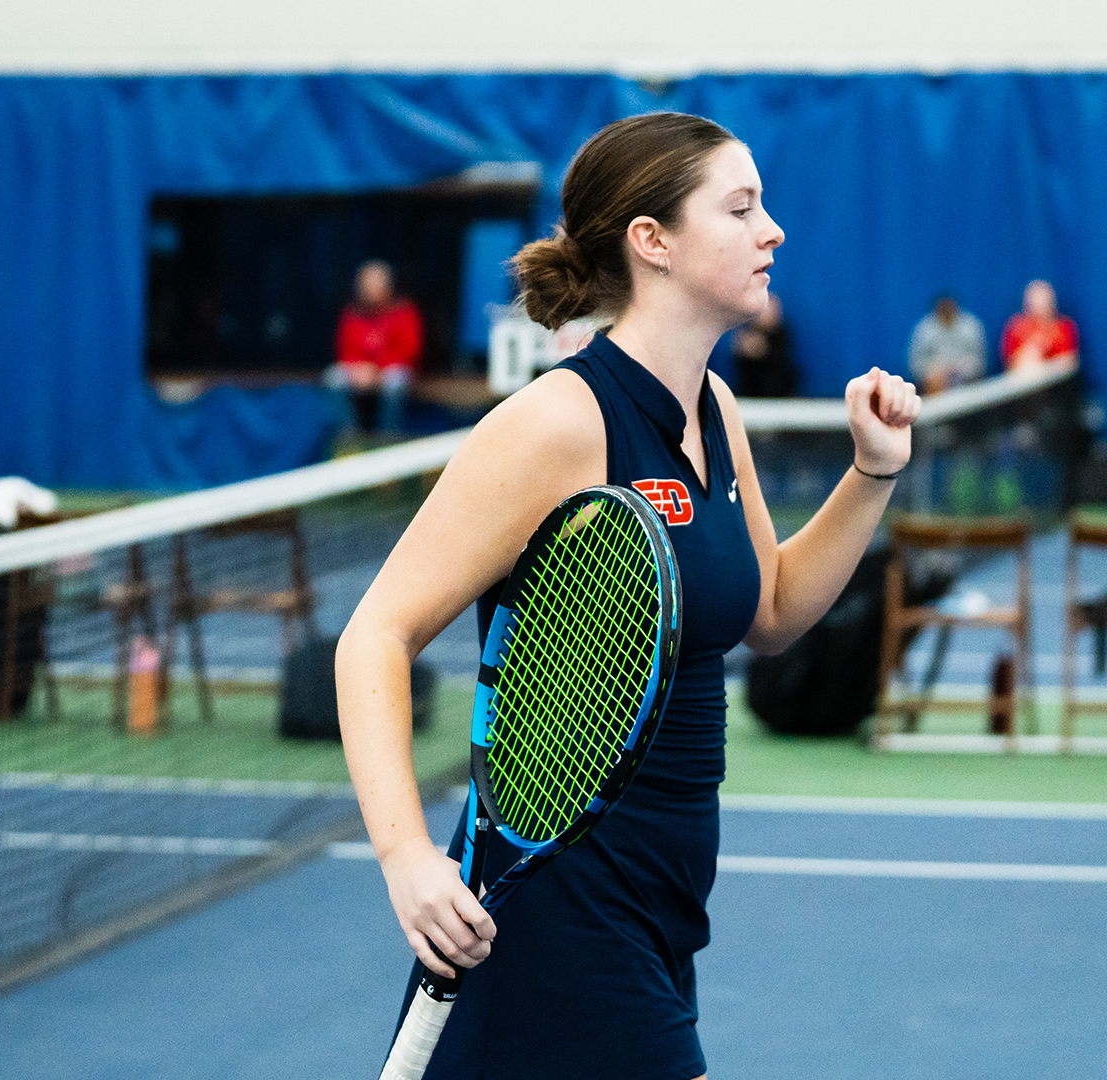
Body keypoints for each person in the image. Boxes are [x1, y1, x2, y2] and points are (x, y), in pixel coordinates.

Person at [333, 112, 919, 1080]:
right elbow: (374, 637)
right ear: (653, 242)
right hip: (552, 908)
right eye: (740, 208)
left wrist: (871, 473)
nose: (772, 229)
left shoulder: (714, 410)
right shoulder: (559, 423)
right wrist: (405, 859)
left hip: (665, 906)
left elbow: (767, 610)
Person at [333, 260, 423, 436]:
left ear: (388, 286)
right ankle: (348, 435)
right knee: (333, 379)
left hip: (390, 370)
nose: (370, 291)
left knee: (395, 383)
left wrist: (377, 370)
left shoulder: (404, 311)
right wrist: (359, 368)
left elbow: (410, 351)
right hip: (361, 372)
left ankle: (387, 437)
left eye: (375, 285)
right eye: (366, 285)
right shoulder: (352, 312)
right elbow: (344, 349)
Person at [907, 295, 986, 393]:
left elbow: (980, 360)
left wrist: (960, 368)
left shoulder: (971, 326)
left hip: (967, 379)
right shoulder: (924, 330)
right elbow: (915, 364)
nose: (947, 312)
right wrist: (935, 372)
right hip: (935, 381)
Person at [1000, 279, 1078, 370]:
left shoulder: (1064, 328)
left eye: (1045, 299)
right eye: (1035, 300)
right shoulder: (1016, 328)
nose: (1040, 304)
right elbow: (1011, 365)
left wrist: (1045, 352)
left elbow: (1069, 364)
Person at [731, 291, 796, 396]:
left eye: (775, 309)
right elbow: (744, 349)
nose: (773, 313)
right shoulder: (746, 333)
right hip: (751, 397)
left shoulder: (781, 335)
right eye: (767, 309)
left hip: (780, 396)